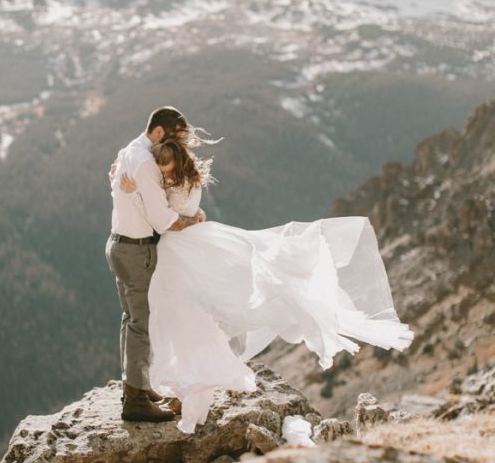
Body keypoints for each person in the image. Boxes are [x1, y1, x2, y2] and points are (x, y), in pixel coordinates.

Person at [119, 138, 414, 434]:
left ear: (175, 162)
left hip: (179, 255)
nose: (159, 172)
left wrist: (133, 195)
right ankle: (182, 384)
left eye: (163, 165)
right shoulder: (188, 178)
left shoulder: (176, 185)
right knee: (185, 318)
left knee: (184, 319)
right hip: (182, 252)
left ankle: (185, 384)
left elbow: (161, 221)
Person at [106, 106, 205, 423]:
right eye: (175, 136)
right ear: (160, 132)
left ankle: (137, 387)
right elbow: (162, 220)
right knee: (141, 324)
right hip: (136, 251)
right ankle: (135, 401)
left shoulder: (128, 150)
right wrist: (193, 221)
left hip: (118, 244)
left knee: (130, 318)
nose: (178, 144)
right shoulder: (147, 164)